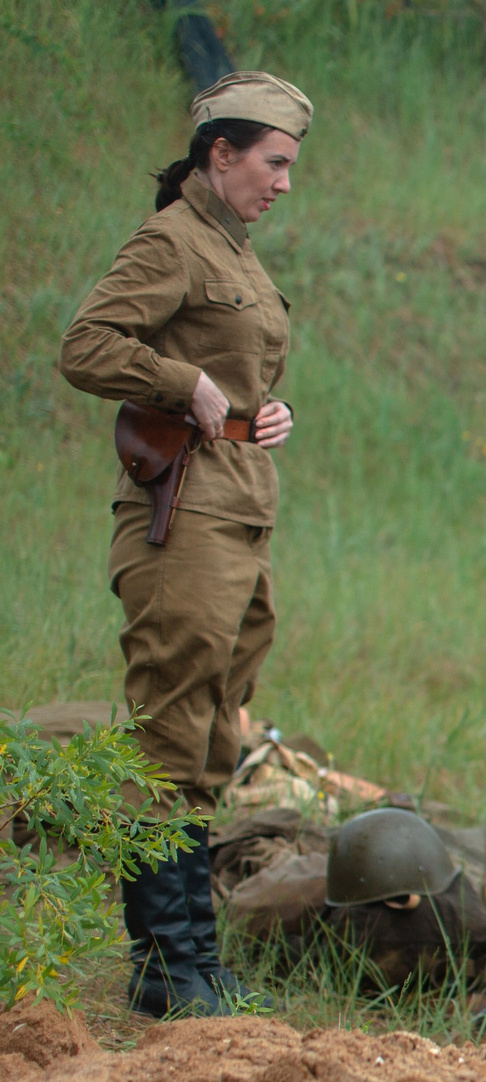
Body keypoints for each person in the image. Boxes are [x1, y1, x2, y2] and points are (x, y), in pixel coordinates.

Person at [57, 71, 312, 1018]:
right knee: (169, 730)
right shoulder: (173, 239)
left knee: (212, 730)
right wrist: (178, 380)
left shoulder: (232, 250)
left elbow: (237, 369)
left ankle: (197, 958)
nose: (284, 181)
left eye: (290, 166)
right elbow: (87, 344)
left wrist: (261, 410)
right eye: (273, 163)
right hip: (187, 514)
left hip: (239, 502)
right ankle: (163, 967)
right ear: (221, 153)